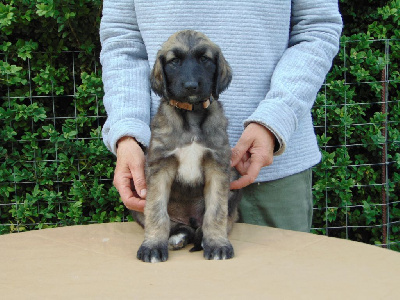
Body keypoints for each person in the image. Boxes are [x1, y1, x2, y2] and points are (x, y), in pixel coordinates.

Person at [100, 0, 342, 232]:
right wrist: (128, 131)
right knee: (166, 273)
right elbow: (123, 41)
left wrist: (276, 117)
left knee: (274, 274)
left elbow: (317, 27)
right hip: (166, 179)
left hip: (267, 173)